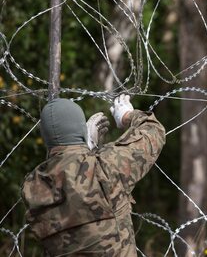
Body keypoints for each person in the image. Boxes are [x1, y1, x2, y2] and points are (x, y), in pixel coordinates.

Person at [21, 94, 165, 256]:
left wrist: (85, 148)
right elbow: (153, 131)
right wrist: (126, 115)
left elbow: (68, 177)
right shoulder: (104, 166)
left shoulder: (33, 185)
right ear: (81, 129)